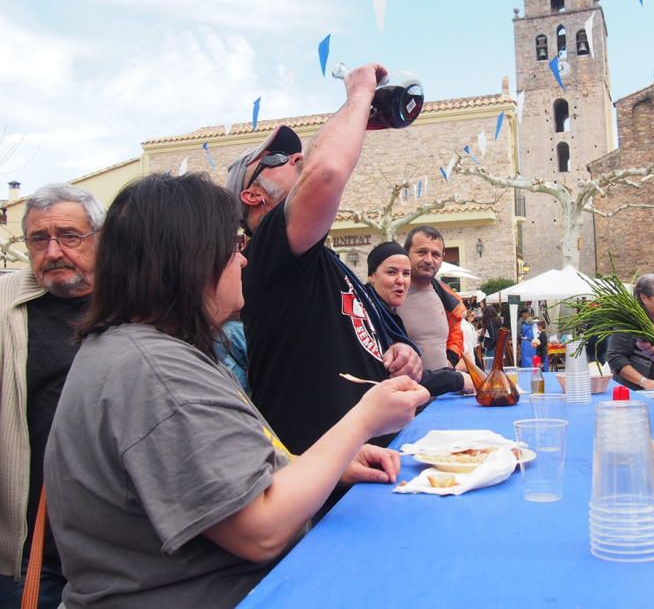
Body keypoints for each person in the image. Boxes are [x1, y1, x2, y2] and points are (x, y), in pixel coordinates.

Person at [43, 173, 429, 608]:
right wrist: (363, 420)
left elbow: (231, 473)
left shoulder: (151, 351)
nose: (243, 260)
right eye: (232, 245)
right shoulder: (156, 372)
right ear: (190, 259)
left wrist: (331, 462)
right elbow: (261, 530)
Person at [225, 63, 422, 457]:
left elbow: (357, 348)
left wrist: (400, 354)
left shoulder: (320, 264)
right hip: (331, 488)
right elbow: (326, 171)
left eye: (298, 152)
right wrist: (359, 94)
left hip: (382, 462)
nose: (297, 157)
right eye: (280, 156)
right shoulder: (267, 254)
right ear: (252, 196)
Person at [0, 183, 104, 609]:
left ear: (102, 239)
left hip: (114, 549)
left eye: (70, 236)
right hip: (29, 554)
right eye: (39, 239)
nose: (54, 251)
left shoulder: (133, 301)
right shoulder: (6, 304)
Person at [364, 242, 471, 396]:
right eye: (392, 272)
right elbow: (397, 378)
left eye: (406, 273)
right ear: (372, 276)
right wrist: (455, 379)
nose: (401, 280)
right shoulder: (367, 315)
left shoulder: (387, 314)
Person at [397, 226, 465, 371]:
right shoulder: (391, 293)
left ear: (442, 258)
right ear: (406, 253)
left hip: (444, 389)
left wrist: (450, 363)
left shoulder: (448, 298)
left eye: (435, 254)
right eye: (421, 252)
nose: (429, 260)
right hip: (404, 389)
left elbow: (456, 334)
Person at [606, 273, 654, 390]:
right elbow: (616, 357)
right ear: (644, 298)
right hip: (637, 391)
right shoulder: (629, 321)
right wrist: (643, 381)